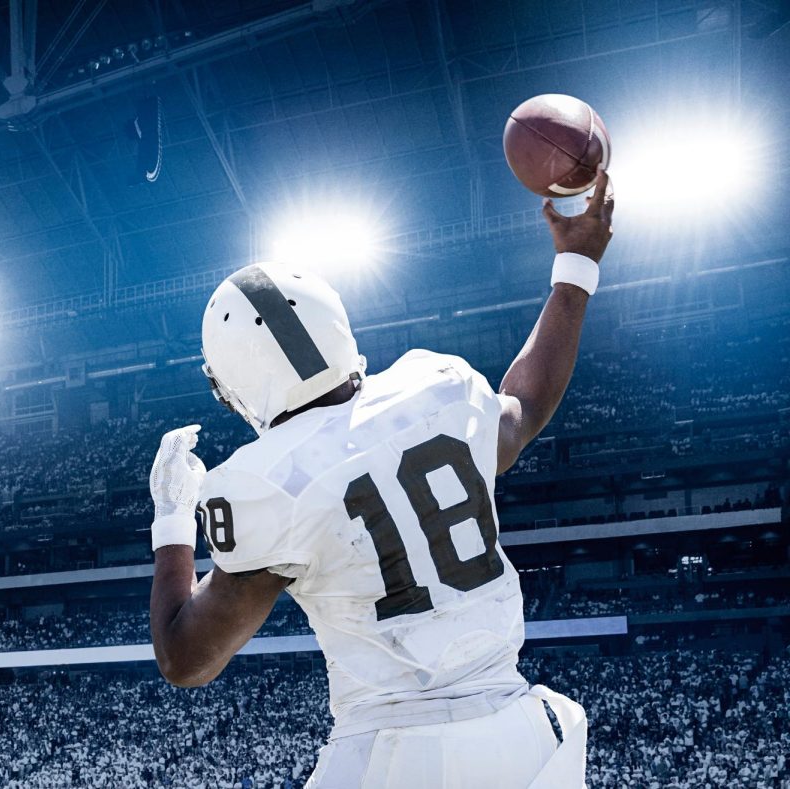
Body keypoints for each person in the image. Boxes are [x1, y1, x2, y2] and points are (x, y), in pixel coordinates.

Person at [147, 166, 615, 788]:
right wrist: (577, 264)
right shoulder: (437, 387)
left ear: (238, 382)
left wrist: (172, 519)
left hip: (394, 755)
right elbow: (523, 406)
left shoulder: (266, 481)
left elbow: (187, 659)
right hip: (521, 736)